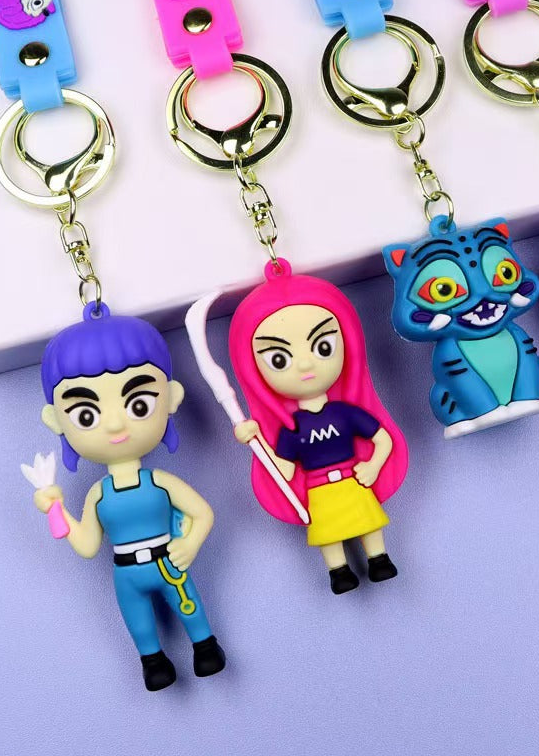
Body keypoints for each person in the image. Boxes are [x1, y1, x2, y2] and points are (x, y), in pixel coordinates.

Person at [32, 303, 225, 690]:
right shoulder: (98, 494)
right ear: (56, 421)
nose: (116, 423)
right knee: (139, 623)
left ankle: (205, 647)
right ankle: (153, 662)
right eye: (87, 415)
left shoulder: (160, 482)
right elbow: (88, 545)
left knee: (190, 609)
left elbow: (203, 513)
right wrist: (56, 508)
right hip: (126, 574)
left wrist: (188, 544)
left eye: (139, 404)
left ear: (170, 398)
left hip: (168, 563)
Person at [229, 261, 409, 594]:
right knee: (328, 533)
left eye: (323, 347)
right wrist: (257, 441)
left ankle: (379, 559)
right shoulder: (291, 428)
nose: (305, 364)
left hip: (353, 481)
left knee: (369, 521)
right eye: (279, 359)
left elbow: (383, 439)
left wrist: (373, 466)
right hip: (319, 491)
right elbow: (284, 469)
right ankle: (338, 571)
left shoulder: (345, 413)